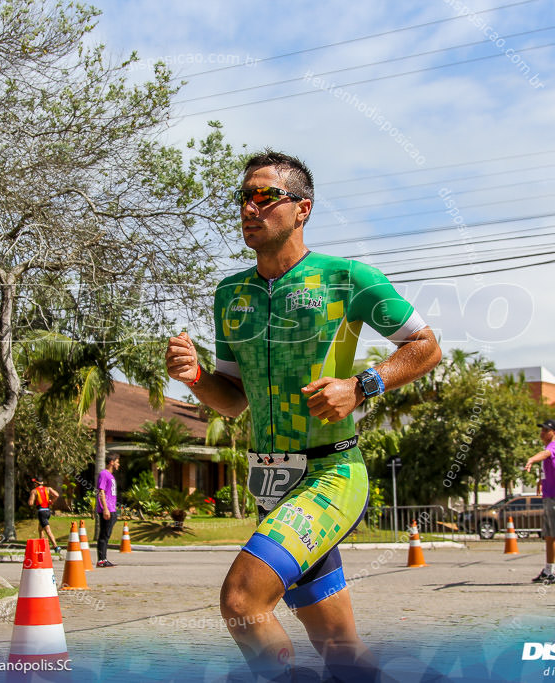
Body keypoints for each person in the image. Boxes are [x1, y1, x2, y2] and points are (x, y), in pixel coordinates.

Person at [165, 150, 440, 680]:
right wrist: (196, 376)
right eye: (243, 198)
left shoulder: (347, 278)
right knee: (340, 647)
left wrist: (363, 386)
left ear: (302, 208)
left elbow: (426, 346)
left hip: (332, 474)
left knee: (243, 602)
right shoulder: (231, 294)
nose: (250, 208)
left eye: (265, 196)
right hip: (274, 481)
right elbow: (235, 399)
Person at [524, 419, 555, 585]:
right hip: (549, 495)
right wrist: (540, 482)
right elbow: (549, 469)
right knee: (550, 536)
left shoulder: (554, 447)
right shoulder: (547, 448)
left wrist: (531, 459)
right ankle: (549, 570)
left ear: (554, 433)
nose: (542, 432)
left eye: (546, 430)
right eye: (542, 430)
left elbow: (545, 455)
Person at [95, 454, 120, 568]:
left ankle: (104, 558)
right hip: (107, 509)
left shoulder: (110, 476)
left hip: (112, 509)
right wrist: (105, 508)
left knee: (107, 534)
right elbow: (101, 492)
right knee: (104, 535)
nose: (118, 464)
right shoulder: (104, 474)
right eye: (117, 462)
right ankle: (101, 560)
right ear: (111, 462)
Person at [28, 478, 61, 555]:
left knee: (47, 530)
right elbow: (56, 495)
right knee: (40, 529)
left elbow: (30, 503)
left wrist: (31, 499)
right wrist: (51, 501)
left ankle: (56, 546)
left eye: (34, 483)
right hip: (47, 511)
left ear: (36, 483)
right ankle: (42, 546)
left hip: (41, 512)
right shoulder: (48, 489)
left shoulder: (34, 491)